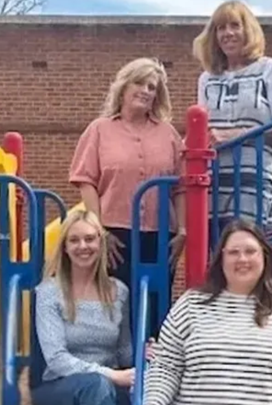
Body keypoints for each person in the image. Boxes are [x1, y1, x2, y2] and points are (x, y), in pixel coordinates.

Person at [144, 219, 272, 405]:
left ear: (265, 256)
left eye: (250, 251)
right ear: (221, 259)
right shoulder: (190, 305)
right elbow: (165, 367)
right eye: (233, 252)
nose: (242, 259)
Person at [69, 57, 186, 334]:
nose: (145, 91)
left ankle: (153, 358)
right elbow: (86, 180)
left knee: (156, 304)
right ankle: (118, 361)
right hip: (115, 234)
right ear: (123, 87)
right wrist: (98, 230)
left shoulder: (168, 134)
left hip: (160, 234)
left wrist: (183, 230)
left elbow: (181, 186)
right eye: (139, 83)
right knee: (117, 304)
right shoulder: (100, 130)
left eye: (152, 87)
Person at [192, 0, 272, 244]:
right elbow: (203, 129)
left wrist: (233, 135)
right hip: (214, 177)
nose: (227, 33)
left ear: (248, 30)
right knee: (217, 250)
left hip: (252, 176)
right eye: (221, 28)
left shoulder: (269, 68)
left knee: (246, 245)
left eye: (234, 26)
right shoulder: (207, 78)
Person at [31, 210, 133, 405]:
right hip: (61, 385)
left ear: (100, 243)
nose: (83, 246)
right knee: (96, 385)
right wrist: (110, 375)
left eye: (89, 239)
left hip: (109, 386)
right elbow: (57, 359)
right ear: (65, 247)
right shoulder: (49, 292)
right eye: (74, 240)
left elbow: (124, 352)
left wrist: (146, 351)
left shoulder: (119, 291)